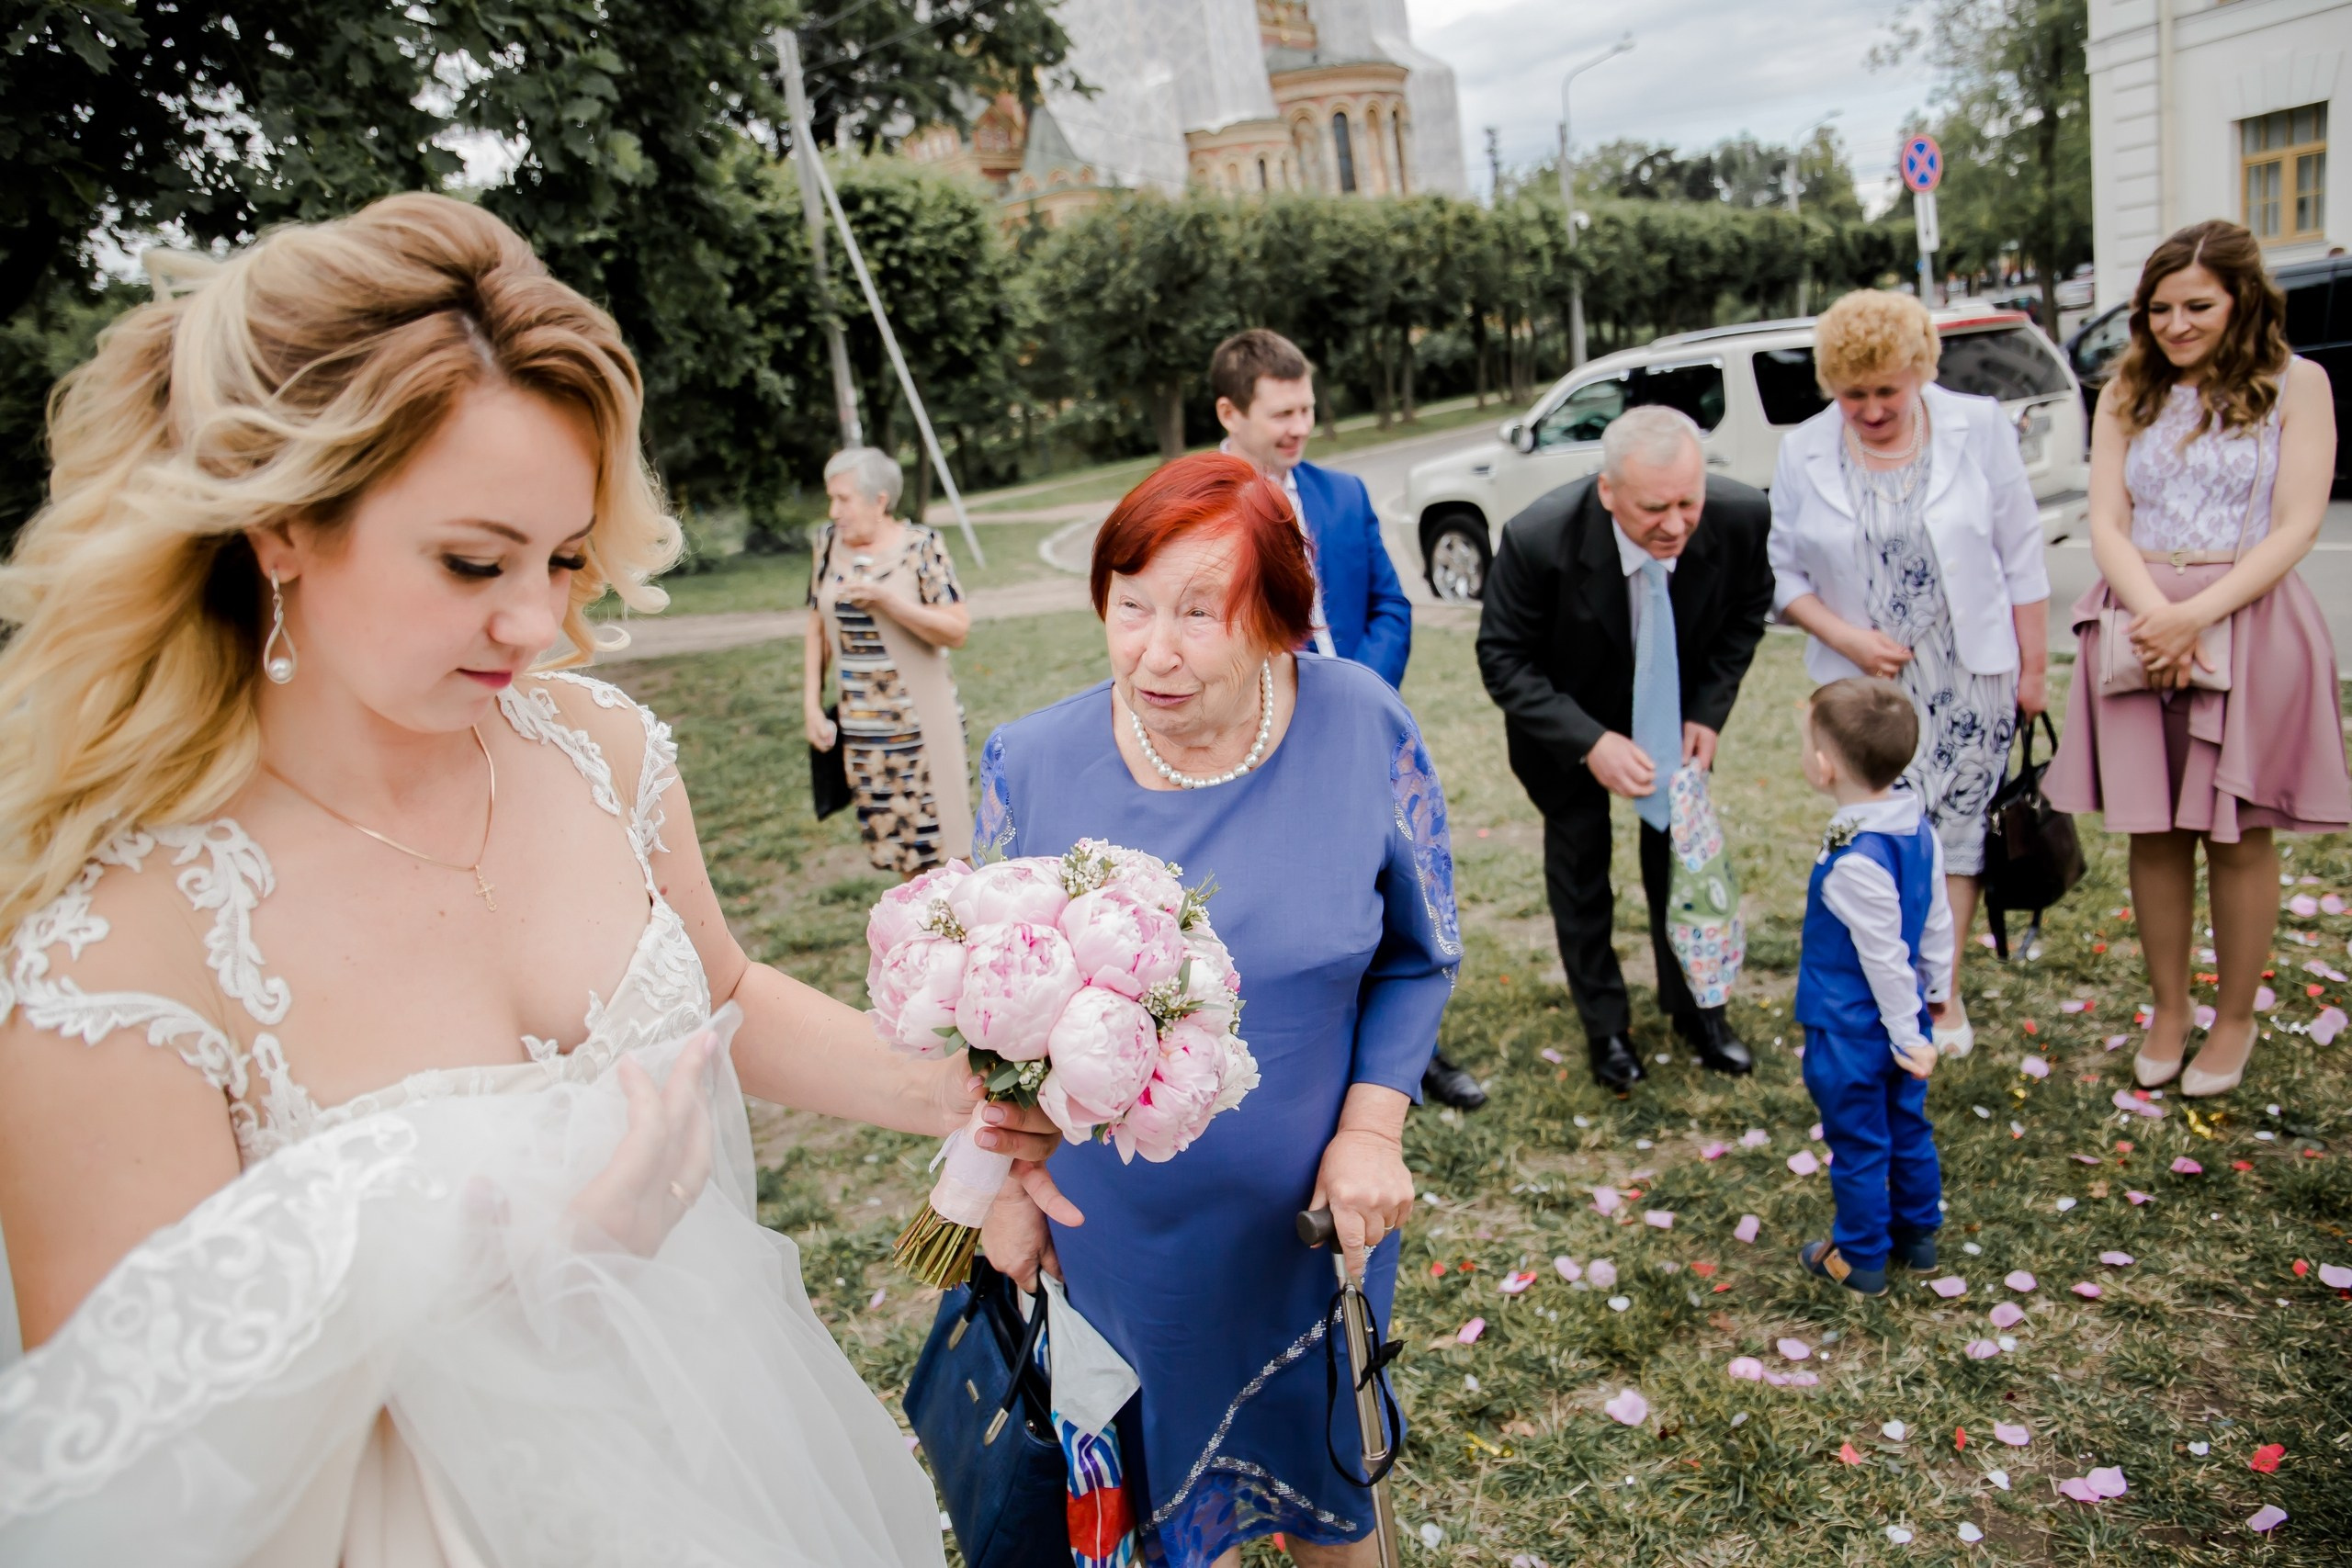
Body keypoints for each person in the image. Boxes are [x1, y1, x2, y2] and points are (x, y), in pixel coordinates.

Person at [0, 193, 1075, 1562]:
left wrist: (948, 1085)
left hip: (721, 1461)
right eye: (470, 561)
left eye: (564, 556)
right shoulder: (113, 953)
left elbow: (725, 989)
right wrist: (524, 1269)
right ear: (279, 526)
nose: (537, 622)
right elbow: (139, 1471)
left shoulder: (605, 750)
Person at [976, 452, 1459, 1568]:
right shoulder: (1032, 761)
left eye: (1202, 613)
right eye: (1131, 604)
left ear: (1280, 619)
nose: (1155, 649)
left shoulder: (1360, 725)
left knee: (1334, 1508)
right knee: (1160, 1528)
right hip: (1113, 1244)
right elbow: (993, 1027)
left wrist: (1371, 1128)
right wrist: (1004, 1189)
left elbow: (1415, 956)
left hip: (1307, 1227)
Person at [2046, 220, 2347, 1099]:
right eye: (2160, 307)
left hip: (2247, 621)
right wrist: (2155, 615)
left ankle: (2238, 1016)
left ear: (2242, 299)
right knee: (2156, 827)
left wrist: (2199, 616)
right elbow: (2105, 519)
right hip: (2141, 617)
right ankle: (2170, 1006)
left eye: (2197, 306)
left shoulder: (2299, 385)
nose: (2175, 324)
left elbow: (2297, 523)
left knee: (2241, 833)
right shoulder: (2124, 390)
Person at [1767, 288, 2051, 1059]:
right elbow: (1785, 576)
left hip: (1969, 672)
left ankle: (1941, 991)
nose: (1871, 408)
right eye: (1852, 393)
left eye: (1887, 390)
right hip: (1868, 691)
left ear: (1920, 368)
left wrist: (2034, 668)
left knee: (1955, 836)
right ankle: (1893, 983)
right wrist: (1849, 640)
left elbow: (2021, 552)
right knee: (1887, 834)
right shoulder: (1803, 451)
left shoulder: (1978, 426)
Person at [1209, 330, 1475, 1113]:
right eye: (1281, 413)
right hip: (1263, 735)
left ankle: (1413, 1055)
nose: (1299, 428)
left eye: (1307, 409)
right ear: (1231, 411)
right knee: (1311, 905)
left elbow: (1391, 602)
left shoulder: (1343, 493)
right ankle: (1334, 1061)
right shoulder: (1204, 507)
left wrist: (1358, 692)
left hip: (1359, 724)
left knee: (1393, 888)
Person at [1476, 405, 1773, 1093]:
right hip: (1570, 725)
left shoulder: (1740, 517)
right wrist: (1589, 741)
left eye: (1687, 502)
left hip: (1672, 711)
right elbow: (1503, 658)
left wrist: (1709, 709)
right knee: (1582, 869)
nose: (1674, 524)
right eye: (1653, 509)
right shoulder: (1535, 538)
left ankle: (1699, 1009)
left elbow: (1748, 610)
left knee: (1680, 861)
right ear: (1608, 491)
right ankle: (1606, 1028)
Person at [1792, 679, 1951, 1299]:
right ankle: (1918, 1237)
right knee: (1906, 1126)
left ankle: (1859, 1257)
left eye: (1807, 743)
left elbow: (1883, 958)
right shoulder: (1917, 829)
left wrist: (1908, 1031)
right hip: (1905, 1018)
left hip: (1852, 1028)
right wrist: (1936, 985)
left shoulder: (1854, 860)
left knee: (1859, 1138)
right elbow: (1935, 917)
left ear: (1825, 765)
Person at [804, 446, 973, 878]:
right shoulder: (826, 544)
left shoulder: (921, 546)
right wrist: (810, 704)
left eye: (843, 498)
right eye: (831, 498)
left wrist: (888, 603)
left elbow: (956, 630)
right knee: (904, 860)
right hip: (864, 733)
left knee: (950, 854)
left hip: (921, 726)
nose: (833, 509)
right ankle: (922, 943)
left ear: (879, 500)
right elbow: (816, 626)